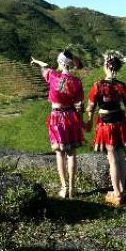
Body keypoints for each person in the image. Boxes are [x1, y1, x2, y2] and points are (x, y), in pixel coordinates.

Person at [85, 50, 126, 207]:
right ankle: (121, 190)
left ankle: (116, 194)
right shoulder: (121, 86)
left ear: (106, 66)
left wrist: (89, 121)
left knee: (112, 159)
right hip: (121, 124)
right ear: (117, 68)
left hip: (107, 127)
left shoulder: (98, 85)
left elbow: (91, 107)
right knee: (120, 157)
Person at [30, 51, 85, 199]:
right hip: (71, 117)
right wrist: (82, 121)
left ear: (61, 63)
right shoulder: (77, 82)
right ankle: (73, 189)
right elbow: (80, 105)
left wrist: (37, 63)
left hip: (57, 118)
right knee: (72, 154)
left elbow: (46, 67)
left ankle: (64, 187)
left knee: (60, 154)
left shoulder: (53, 75)